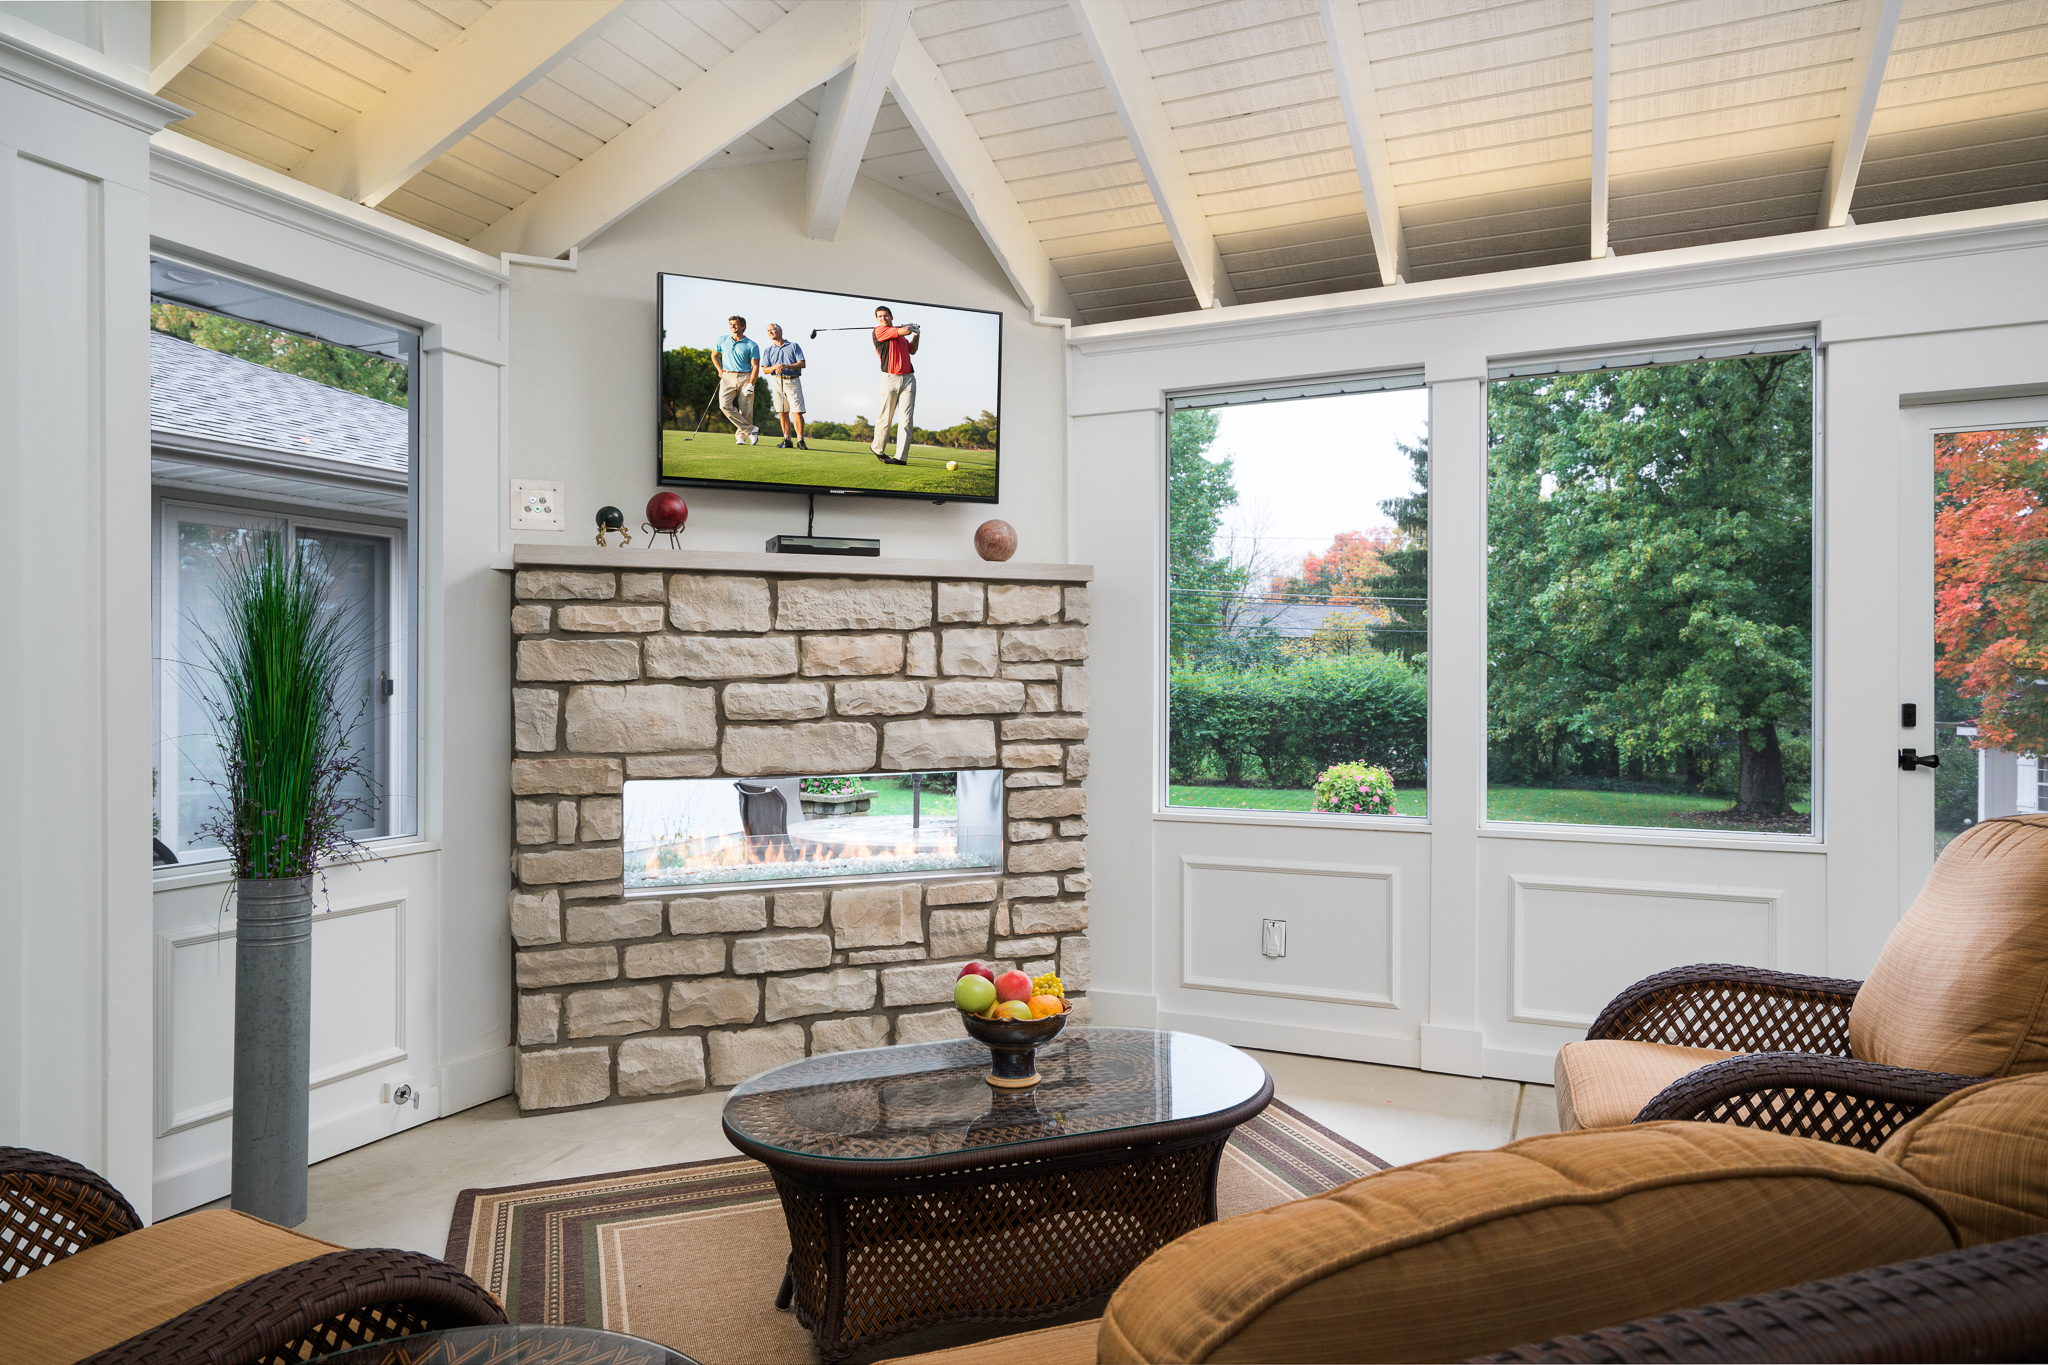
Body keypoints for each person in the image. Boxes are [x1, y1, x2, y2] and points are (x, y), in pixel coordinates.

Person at [870, 305, 919, 465]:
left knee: (906, 420)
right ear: (877, 320)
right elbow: (905, 330)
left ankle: (901, 458)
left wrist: (917, 334)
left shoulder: (901, 337)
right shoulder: (879, 331)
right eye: (880, 317)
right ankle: (877, 448)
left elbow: (913, 350)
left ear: (892, 317)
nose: (883, 319)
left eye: (886, 316)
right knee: (886, 417)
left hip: (908, 379)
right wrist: (910, 327)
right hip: (890, 378)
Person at [761, 323, 808, 450]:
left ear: (780, 331)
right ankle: (787, 439)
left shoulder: (793, 346)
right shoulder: (768, 350)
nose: (770, 332)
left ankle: (800, 440)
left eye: (772, 330)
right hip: (776, 381)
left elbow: (802, 363)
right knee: (782, 412)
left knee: (797, 412)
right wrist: (774, 367)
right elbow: (765, 370)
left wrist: (786, 366)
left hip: (792, 381)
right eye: (768, 331)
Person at [715, 315, 760, 446]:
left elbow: (756, 366)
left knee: (746, 409)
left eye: (735, 324)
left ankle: (741, 437)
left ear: (743, 326)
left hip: (745, 377)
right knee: (724, 405)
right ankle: (752, 429)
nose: (732, 327)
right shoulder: (722, 340)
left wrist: (752, 383)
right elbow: (714, 355)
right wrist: (719, 370)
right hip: (727, 376)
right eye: (731, 324)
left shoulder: (752, 345)